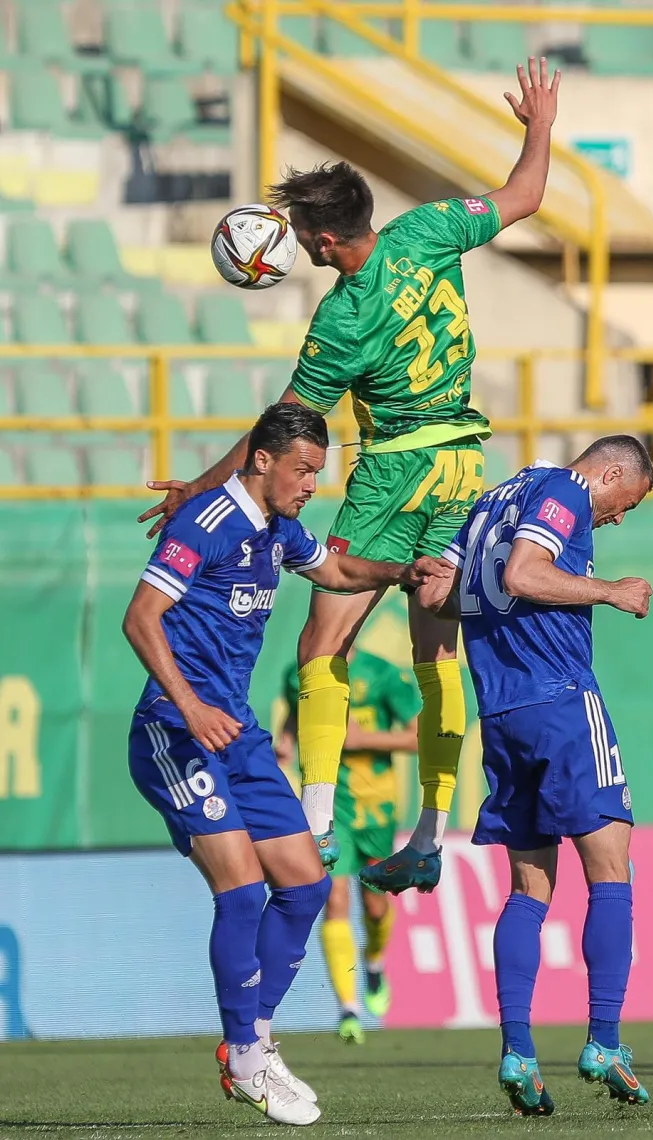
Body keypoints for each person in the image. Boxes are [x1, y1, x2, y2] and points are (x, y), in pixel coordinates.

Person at [137, 57, 561, 894]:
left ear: (327, 242)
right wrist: (538, 126)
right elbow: (526, 195)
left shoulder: (341, 318)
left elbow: (285, 426)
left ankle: (319, 825)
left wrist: (205, 487)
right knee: (437, 649)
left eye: (299, 237)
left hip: (396, 469)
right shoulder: (428, 229)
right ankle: (431, 833)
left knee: (319, 645)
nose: (297, 246)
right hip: (465, 463)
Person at [123, 403, 448, 1127]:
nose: (310, 485)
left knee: (305, 881)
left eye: (317, 473)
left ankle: (257, 1040)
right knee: (241, 888)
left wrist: (397, 571)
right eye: (302, 470)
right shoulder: (205, 523)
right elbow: (140, 617)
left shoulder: (280, 531)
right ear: (261, 460)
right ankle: (243, 1053)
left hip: (234, 736)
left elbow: (332, 566)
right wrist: (191, 705)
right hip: (176, 731)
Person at [417, 436, 653, 1116]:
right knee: (611, 868)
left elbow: (439, 595)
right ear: (609, 472)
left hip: (503, 711)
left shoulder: (493, 500)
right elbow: (524, 574)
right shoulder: (564, 495)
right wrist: (609, 590)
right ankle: (604, 1040)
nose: (614, 519)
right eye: (623, 502)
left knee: (529, 885)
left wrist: (415, 573)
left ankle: (519, 1051)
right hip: (561, 701)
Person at [277, 648, 419, 1042]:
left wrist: (361, 739)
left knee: (376, 906)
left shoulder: (382, 673)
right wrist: (286, 743)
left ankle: (373, 964)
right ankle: (348, 1008)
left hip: (376, 807)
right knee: (335, 900)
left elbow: (420, 736)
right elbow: (296, 714)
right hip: (330, 807)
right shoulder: (299, 672)